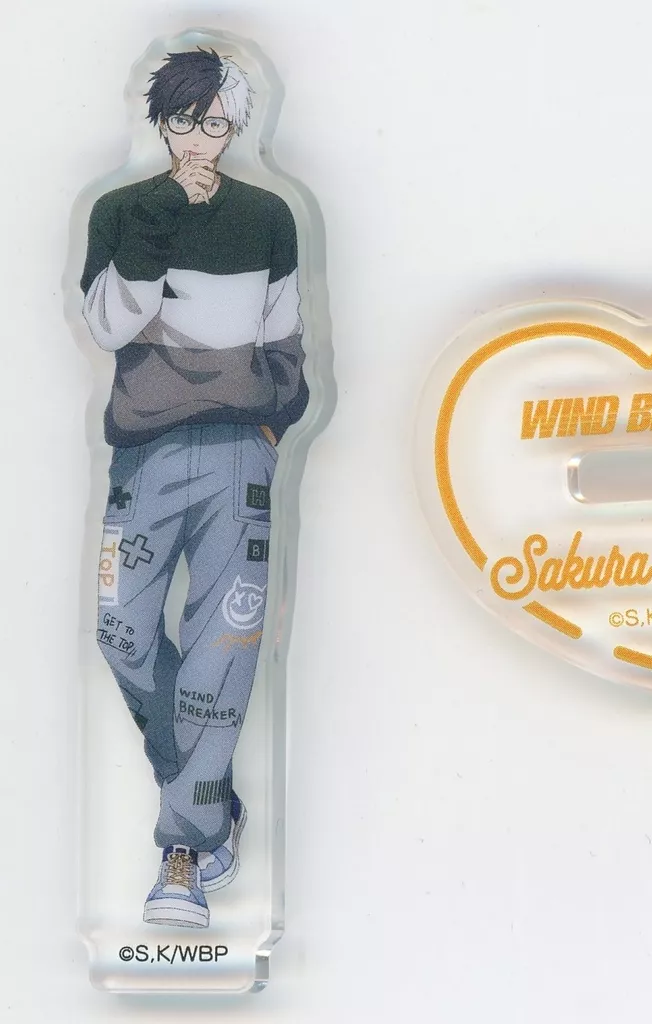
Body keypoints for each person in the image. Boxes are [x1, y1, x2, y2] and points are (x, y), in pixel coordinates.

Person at [81, 47, 308, 929]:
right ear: (161, 120)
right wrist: (163, 213)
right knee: (120, 631)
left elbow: (285, 337)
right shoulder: (122, 211)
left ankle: (182, 852)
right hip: (143, 450)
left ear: (236, 127)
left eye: (215, 123)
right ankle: (210, 806)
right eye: (185, 120)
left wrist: (270, 425)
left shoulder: (267, 216)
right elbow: (109, 323)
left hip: (239, 452)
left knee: (224, 646)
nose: (199, 139)